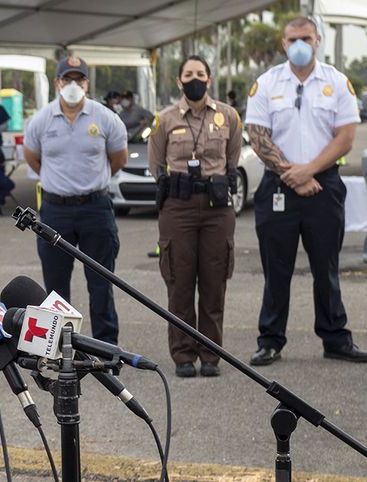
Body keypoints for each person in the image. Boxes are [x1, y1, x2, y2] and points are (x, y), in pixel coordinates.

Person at [245, 16, 367, 365]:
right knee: (276, 269)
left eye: (306, 38)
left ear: (317, 41)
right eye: (293, 39)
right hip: (278, 185)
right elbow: (257, 136)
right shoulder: (267, 83)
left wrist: (308, 171)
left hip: (323, 185)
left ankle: (335, 338)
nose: (299, 45)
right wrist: (292, 174)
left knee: (326, 268)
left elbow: (345, 138)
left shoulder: (337, 82)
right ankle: (270, 340)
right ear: (284, 44)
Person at [148, 55, 242, 378]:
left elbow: (232, 160)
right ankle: (183, 354)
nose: (195, 79)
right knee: (180, 282)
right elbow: (155, 164)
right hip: (178, 208)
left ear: (209, 79)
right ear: (179, 81)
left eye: (200, 73)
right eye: (188, 74)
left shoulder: (228, 116)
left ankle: (211, 355)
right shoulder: (164, 119)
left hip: (217, 208)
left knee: (214, 283)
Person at [23, 55, 128, 345]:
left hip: (96, 208)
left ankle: (106, 347)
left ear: (87, 83)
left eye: (78, 79)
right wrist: (59, 182)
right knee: (55, 287)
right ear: (57, 82)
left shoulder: (105, 117)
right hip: (55, 210)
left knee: (101, 283)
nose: (73, 84)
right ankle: (59, 346)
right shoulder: (41, 119)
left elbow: (118, 158)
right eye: (67, 79)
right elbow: (32, 158)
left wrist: (90, 184)